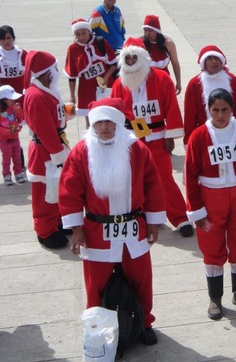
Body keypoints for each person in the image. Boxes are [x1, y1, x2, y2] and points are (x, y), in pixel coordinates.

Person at [59, 97, 165, 346]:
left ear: (118, 122)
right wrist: (76, 230)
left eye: (109, 122)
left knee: (141, 279)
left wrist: (153, 222)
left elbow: (153, 184)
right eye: (99, 122)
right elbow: (69, 191)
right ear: (92, 124)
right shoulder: (81, 151)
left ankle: (145, 323)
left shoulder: (136, 148)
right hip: (97, 230)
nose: (105, 127)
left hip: (133, 227)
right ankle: (97, 329)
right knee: (96, 284)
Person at [185, 88, 236, 320]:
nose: (220, 115)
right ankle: (215, 298)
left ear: (232, 109)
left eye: (224, 109)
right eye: (215, 110)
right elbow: (189, 176)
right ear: (208, 110)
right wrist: (196, 210)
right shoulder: (198, 137)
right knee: (212, 246)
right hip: (211, 198)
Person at [110, 37, 193, 237]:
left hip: (157, 137)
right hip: (131, 140)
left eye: (133, 57)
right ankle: (144, 216)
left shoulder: (162, 79)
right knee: (135, 179)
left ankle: (180, 218)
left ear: (142, 57)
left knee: (164, 178)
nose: (130, 61)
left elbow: (172, 108)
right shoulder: (120, 83)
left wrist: (170, 135)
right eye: (126, 58)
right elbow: (114, 112)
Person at [23, 51, 70, 249]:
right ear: (46, 72)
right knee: (44, 193)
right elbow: (44, 130)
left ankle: (57, 221)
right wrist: (57, 153)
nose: (57, 72)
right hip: (46, 151)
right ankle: (45, 230)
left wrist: (67, 112)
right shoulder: (36, 96)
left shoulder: (45, 90)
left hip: (54, 146)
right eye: (55, 69)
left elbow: (53, 119)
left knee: (56, 188)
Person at [183, 45, 236, 145]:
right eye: (209, 59)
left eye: (216, 58)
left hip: (231, 132)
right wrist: (189, 140)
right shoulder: (195, 84)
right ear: (204, 63)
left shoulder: (231, 79)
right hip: (206, 134)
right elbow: (190, 115)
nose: (214, 62)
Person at [65, 18, 117, 125]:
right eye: (78, 34)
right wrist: (72, 96)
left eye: (84, 33)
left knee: (109, 114)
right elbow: (72, 76)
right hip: (86, 89)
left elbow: (113, 63)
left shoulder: (100, 42)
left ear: (89, 31)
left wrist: (106, 77)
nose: (81, 37)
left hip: (105, 85)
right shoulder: (72, 49)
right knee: (90, 118)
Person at [142, 15, 182, 95]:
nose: (147, 34)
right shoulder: (141, 43)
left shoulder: (168, 44)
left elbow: (175, 63)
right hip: (146, 85)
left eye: (150, 31)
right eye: (145, 30)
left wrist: (178, 82)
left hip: (164, 83)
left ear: (157, 31)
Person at [0, 85, 25, 185]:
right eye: (11, 99)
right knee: (6, 159)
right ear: (4, 100)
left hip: (15, 138)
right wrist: (8, 131)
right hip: (4, 140)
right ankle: (6, 175)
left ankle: (18, 173)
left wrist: (19, 112)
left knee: (17, 157)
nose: (14, 101)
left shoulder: (14, 109)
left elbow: (20, 122)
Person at [0, 25, 28, 96]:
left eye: (8, 38)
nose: (6, 41)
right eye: (2, 39)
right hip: (3, 96)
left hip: (21, 93)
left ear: (13, 38)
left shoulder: (23, 54)